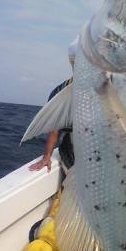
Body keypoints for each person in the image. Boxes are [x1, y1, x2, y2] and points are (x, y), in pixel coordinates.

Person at [29, 36, 78, 174]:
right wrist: (47, 156)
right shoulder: (59, 92)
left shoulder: (107, 90)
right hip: (71, 156)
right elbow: (54, 129)